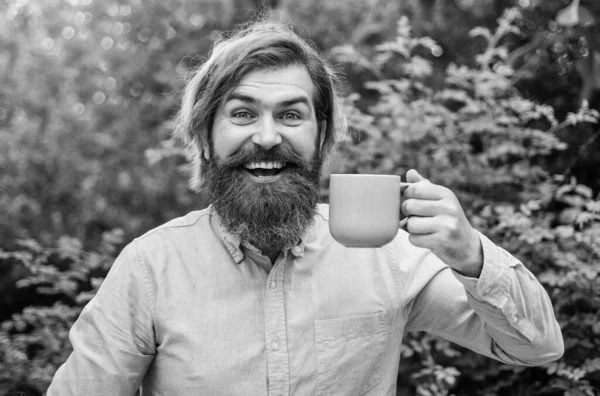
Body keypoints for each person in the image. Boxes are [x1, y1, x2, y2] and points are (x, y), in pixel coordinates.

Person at [47, 20, 564, 396]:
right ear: (206, 137)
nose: (267, 137)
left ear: (322, 138)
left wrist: (472, 255)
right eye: (243, 113)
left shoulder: (391, 256)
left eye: (291, 115)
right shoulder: (148, 269)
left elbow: (536, 348)